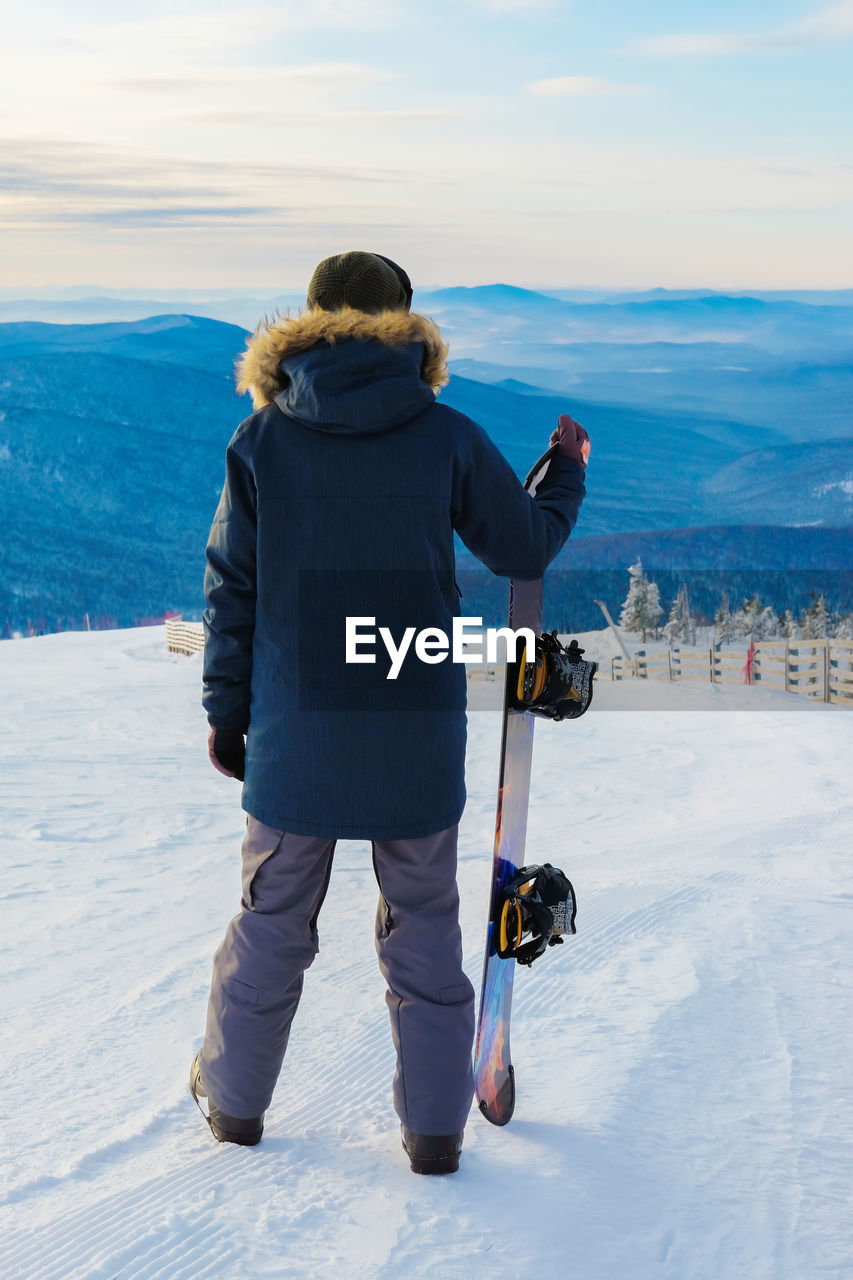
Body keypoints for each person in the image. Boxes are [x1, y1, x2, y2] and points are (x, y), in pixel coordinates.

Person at [191, 250, 589, 1174]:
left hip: (296, 735)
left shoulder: (262, 442)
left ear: (309, 321)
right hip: (412, 732)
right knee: (424, 933)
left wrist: (226, 713)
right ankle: (435, 1133)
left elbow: (231, 591)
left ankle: (235, 1106)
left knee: (269, 926)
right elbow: (522, 547)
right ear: (406, 326)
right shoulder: (443, 434)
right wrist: (565, 473)